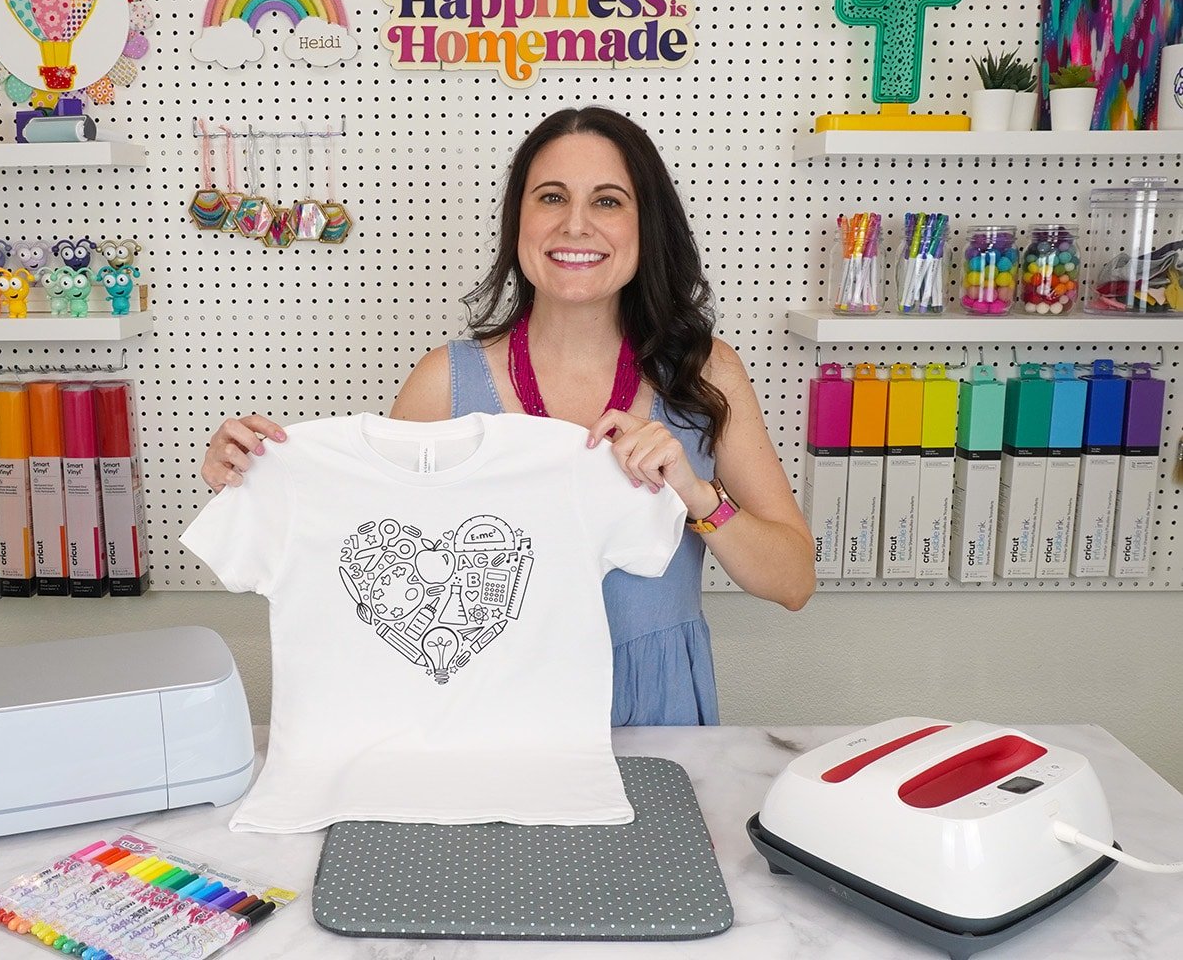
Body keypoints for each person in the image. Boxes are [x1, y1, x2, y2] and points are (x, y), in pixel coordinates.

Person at [200, 106, 814, 726]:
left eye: (607, 201)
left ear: (646, 225)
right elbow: (370, 562)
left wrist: (697, 495)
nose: (576, 225)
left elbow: (794, 582)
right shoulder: (443, 384)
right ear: (518, 220)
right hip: (488, 715)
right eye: (551, 197)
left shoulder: (707, 376)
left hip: (653, 706)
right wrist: (261, 476)